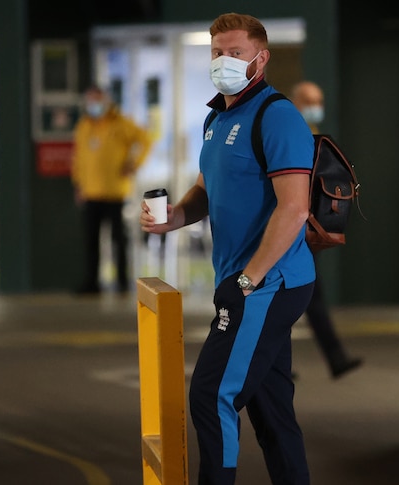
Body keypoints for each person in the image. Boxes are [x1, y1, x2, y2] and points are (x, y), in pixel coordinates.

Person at [141, 13, 316, 485]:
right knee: (271, 408)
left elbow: (294, 210)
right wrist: (175, 216)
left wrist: (248, 280)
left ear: (261, 58)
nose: (224, 61)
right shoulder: (216, 118)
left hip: (268, 282)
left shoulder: (277, 117)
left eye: (235, 53)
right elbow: (206, 189)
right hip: (244, 280)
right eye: (217, 52)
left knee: (211, 394)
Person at [289, 80, 363, 379]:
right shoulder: (287, 130)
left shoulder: (306, 132)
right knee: (295, 294)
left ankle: (334, 357)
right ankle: (331, 358)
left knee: (306, 294)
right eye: (309, 100)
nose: (315, 107)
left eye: (318, 101)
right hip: (292, 227)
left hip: (305, 227)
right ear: (296, 100)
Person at [71, 85, 152, 294]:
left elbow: (145, 140)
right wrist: (79, 184)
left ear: (106, 102)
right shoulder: (83, 126)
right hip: (91, 194)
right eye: (90, 101)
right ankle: (92, 283)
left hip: (115, 193)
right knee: (91, 241)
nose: (94, 105)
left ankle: (122, 282)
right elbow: (78, 158)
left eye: (97, 100)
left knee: (119, 241)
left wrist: (134, 163)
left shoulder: (121, 123)